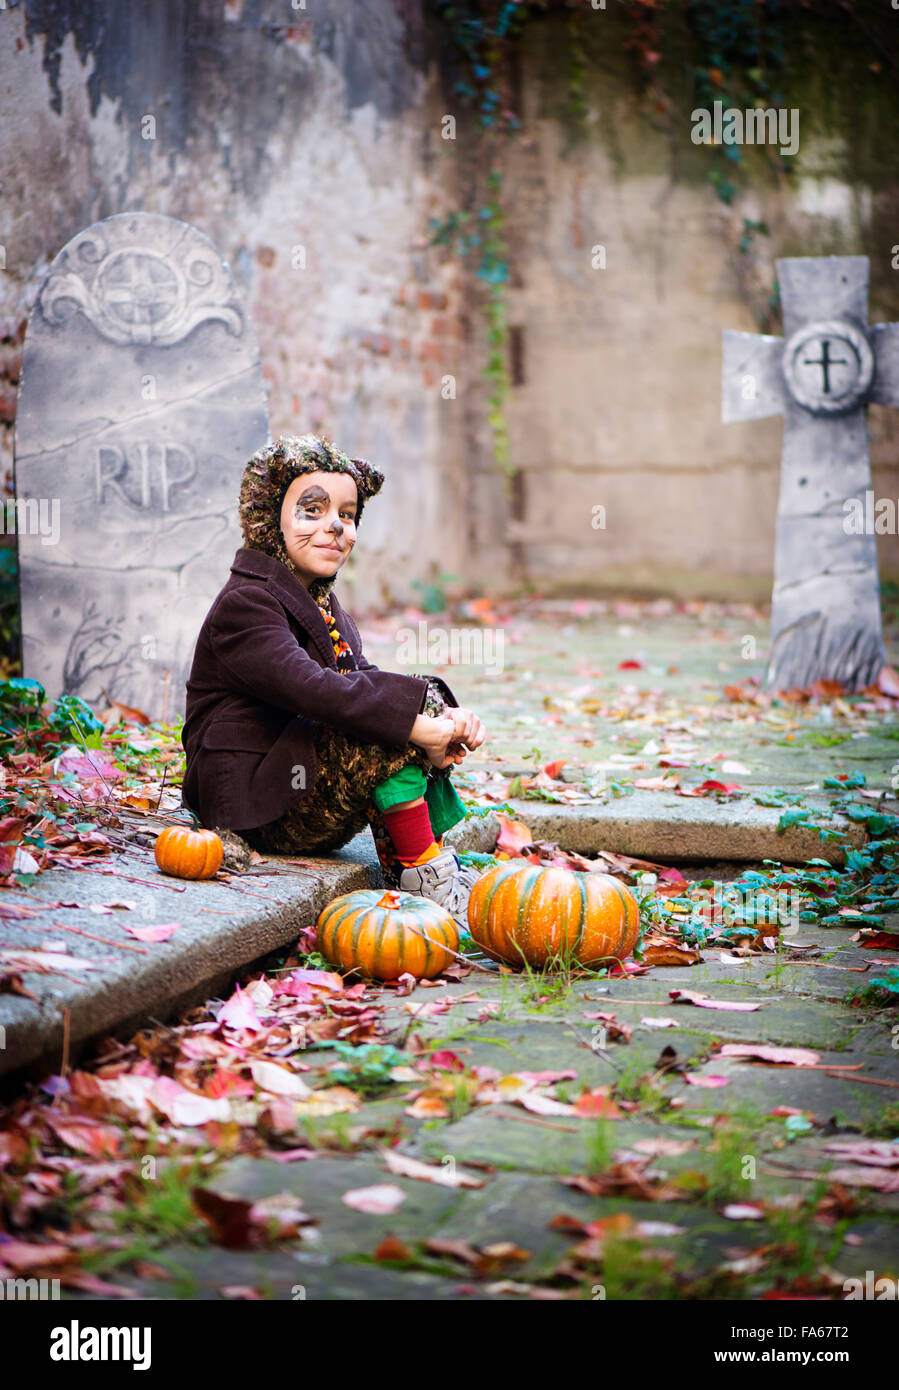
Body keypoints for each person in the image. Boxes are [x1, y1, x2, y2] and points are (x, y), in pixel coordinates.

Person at [179, 433, 487, 930]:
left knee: (396, 704)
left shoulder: (318, 600)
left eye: (347, 514)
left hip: (290, 778)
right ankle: (424, 877)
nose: (335, 527)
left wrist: (439, 715)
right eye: (312, 510)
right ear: (269, 521)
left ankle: (416, 864)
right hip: (252, 805)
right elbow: (313, 688)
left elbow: (360, 677)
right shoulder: (247, 603)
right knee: (379, 728)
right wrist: (413, 725)